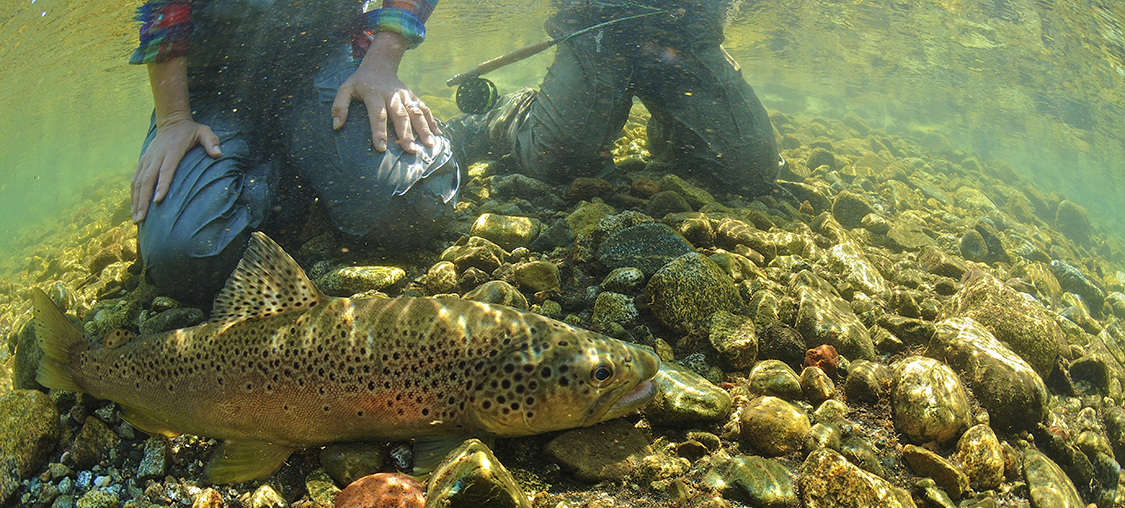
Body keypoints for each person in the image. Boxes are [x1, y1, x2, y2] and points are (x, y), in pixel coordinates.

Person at [128, 0, 459, 306]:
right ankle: (299, 176)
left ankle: (458, 133)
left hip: (322, 61)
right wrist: (173, 118)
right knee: (185, 260)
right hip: (211, 84)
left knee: (416, 205)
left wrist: (381, 62)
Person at [449, 0, 781, 197]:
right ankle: (507, 115)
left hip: (688, 31)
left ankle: (675, 134)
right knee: (564, 163)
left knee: (753, 169)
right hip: (595, 24)